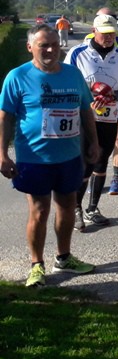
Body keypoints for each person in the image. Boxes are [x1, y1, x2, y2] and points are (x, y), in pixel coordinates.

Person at [0, 24, 100, 287]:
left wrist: (93, 143)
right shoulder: (17, 76)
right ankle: (37, 265)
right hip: (34, 158)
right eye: (44, 44)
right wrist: (2, 154)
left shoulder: (72, 74)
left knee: (67, 207)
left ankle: (64, 257)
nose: (51, 49)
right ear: (30, 47)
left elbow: (85, 111)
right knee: (39, 211)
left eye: (55, 44)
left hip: (69, 156)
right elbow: (5, 117)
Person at [66, 14, 118, 229]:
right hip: (83, 116)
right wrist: (88, 96)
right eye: (104, 33)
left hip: (109, 115)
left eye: (112, 33)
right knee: (85, 160)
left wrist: (113, 96)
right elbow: (66, 81)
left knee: (101, 160)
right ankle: (76, 208)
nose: (108, 37)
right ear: (94, 31)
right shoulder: (78, 53)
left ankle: (92, 208)